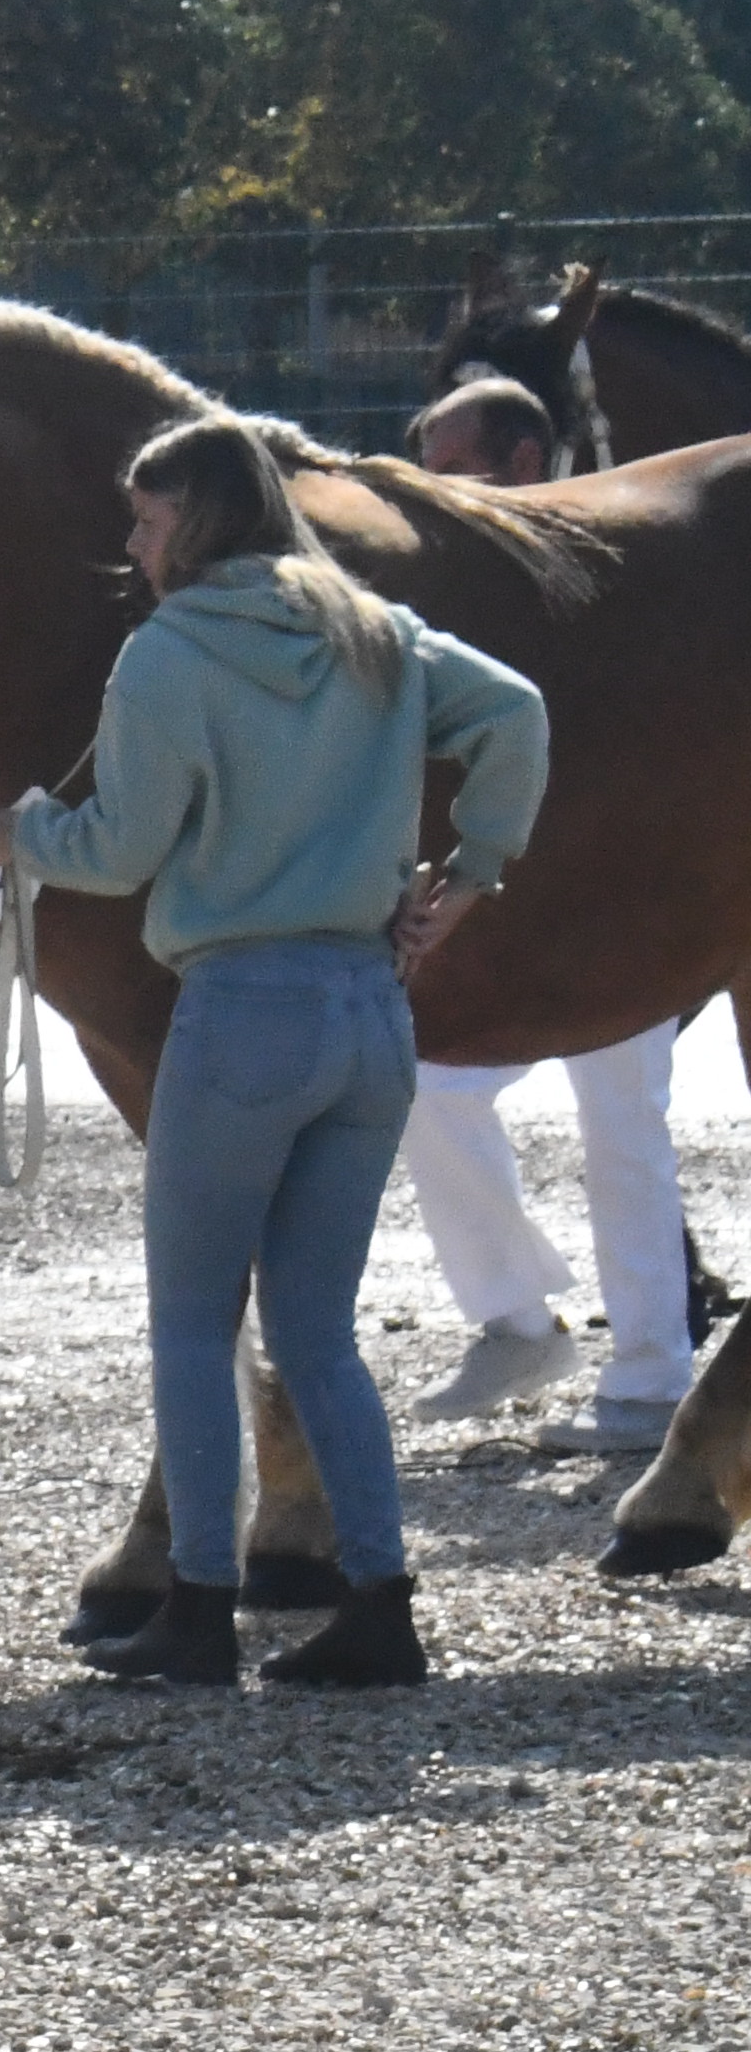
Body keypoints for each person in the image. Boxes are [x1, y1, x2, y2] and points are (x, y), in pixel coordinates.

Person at [6, 414, 549, 1688]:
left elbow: (118, 851)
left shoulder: (167, 654)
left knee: (197, 1325)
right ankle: (380, 1603)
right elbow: (517, 713)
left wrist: (16, 831)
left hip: (242, 1010)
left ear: (196, 524)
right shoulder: (376, 634)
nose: (135, 546)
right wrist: (471, 874)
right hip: (370, 1012)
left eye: (148, 521)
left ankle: (199, 1605)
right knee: (319, 1330)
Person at [392, 371, 704, 1458]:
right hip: (520, 897)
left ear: (524, 461)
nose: (429, 489)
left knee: (624, 1124)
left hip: (629, 898)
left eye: (449, 466)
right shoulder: (469, 573)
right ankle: (519, 1323)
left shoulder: (622, 557)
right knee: (429, 1086)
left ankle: (652, 1378)